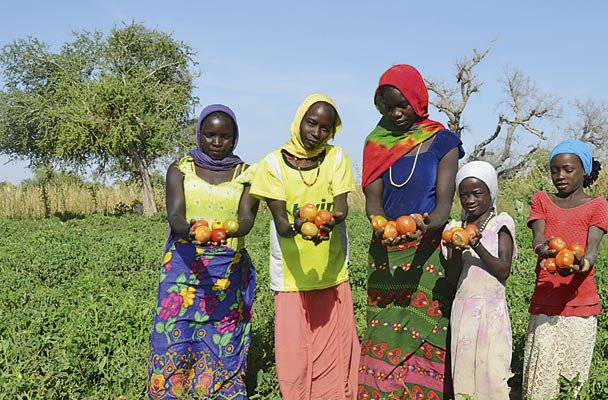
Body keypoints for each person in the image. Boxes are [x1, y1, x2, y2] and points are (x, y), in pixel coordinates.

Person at [358, 64, 464, 399]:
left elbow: (443, 208)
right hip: (387, 251)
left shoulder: (442, 141)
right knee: (383, 331)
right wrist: (382, 226)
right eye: (388, 107)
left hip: (428, 252)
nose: (396, 112)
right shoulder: (377, 143)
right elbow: (372, 203)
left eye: (402, 104)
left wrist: (421, 228)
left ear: (418, 100)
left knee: (426, 327)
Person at [250, 94, 360, 399]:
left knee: (333, 352)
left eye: (326, 128)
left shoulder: (336, 158)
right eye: (311, 123)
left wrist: (333, 220)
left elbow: (342, 207)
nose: (317, 133)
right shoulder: (272, 164)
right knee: (294, 352)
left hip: (331, 270)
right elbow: (283, 227)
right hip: (291, 275)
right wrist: (299, 225)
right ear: (299, 121)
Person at [147, 104, 259, 399]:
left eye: (224, 136)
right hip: (183, 265)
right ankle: (168, 391)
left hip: (227, 269)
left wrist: (227, 232)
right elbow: (175, 216)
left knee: (221, 333)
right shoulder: (180, 168)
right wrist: (194, 231)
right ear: (199, 135)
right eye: (209, 135)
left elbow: (247, 219)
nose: (216, 142)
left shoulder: (247, 173)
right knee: (174, 329)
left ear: (234, 139)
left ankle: (220, 390)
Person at [522, 139, 608, 400]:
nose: (560, 176)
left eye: (568, 169)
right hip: (546, 299)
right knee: (540, 377)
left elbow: (591, 250)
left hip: (580, 302)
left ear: (584, 170)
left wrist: (580, 264)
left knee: (572, 380)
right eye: (555, 170)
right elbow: (538, 239)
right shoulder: (541, 200)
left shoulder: (597, 205)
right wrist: (543, 250)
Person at [442, 161, 517, 400]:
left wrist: (476, 245)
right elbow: (452, 278)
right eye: (464, 195)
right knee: (464, 376)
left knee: (493, 376)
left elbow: (503, 270)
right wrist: (454, 248)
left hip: (492, 312)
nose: (470, 200)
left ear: (490, 194)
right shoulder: (454, 227)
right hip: (464, 311)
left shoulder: (501, 225)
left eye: (477, 193)